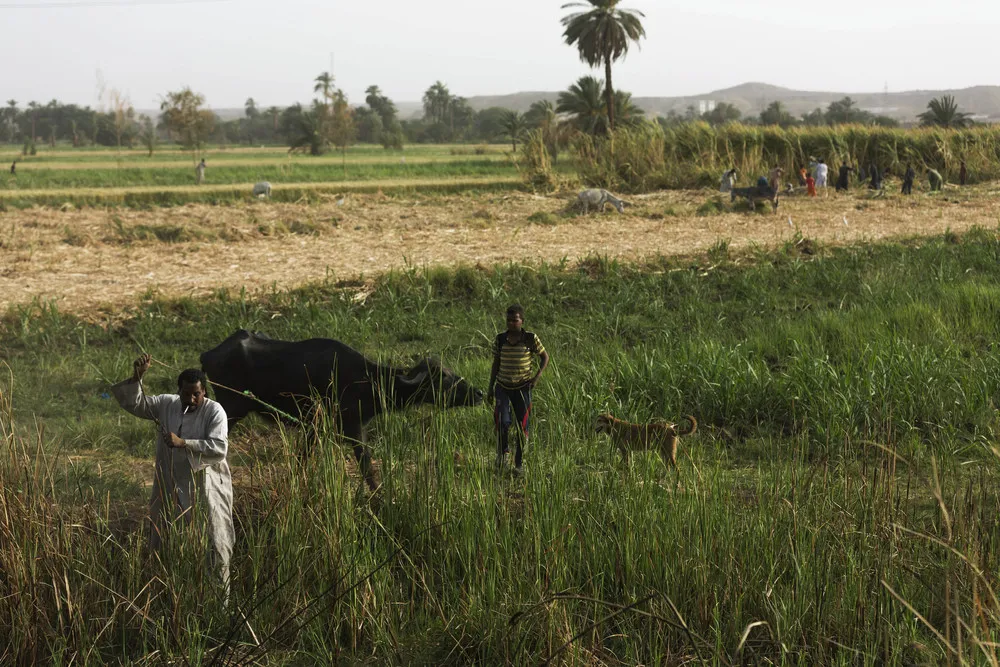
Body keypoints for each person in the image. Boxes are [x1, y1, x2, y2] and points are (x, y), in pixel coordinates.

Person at [111, 353, 234, 593]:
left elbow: (219, 447)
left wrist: (184, 442)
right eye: (186, 393)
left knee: (215, 540)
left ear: (204, 392)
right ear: (178, 391)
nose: (191, 398)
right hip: (169, 482)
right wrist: (138, 376)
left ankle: (218, 600)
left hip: (206, 485)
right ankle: (169, 594)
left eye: (196, 394)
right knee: (163, 536)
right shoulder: (167, 404)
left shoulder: (214, 411)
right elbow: (136, 404)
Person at [487, 304, 549, 474]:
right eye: (508, 320)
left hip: (523, 388)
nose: (511, 323)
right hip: (503, 387)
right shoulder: (500, 339)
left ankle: (520, 464)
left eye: (515, 320)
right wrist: (490, 387)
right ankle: (502, 455)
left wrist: (536, 377)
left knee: (522, 426)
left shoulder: (530, 338)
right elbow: (496, 363)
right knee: (503, 422)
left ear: (522, 321)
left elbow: (545, 357)